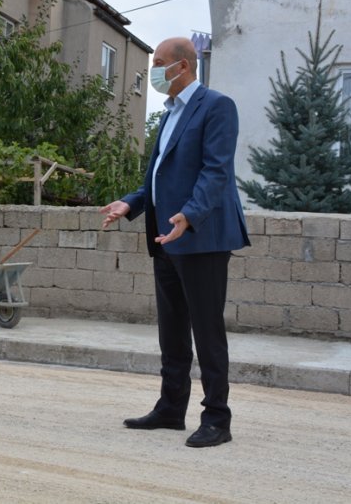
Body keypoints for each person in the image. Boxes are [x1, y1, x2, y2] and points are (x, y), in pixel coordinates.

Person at [100, 37, 250, 448]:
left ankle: (217, 418)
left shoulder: (217, 106)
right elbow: (159, 176)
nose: (154, 71)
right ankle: (170, 408)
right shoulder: (170, 113)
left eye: (160, 63)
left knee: (207, 331)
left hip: (202, 236)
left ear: (183, 66)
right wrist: (131, 204)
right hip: (166, 236)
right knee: (172, 330)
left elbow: (216, 172)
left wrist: (190, 214)